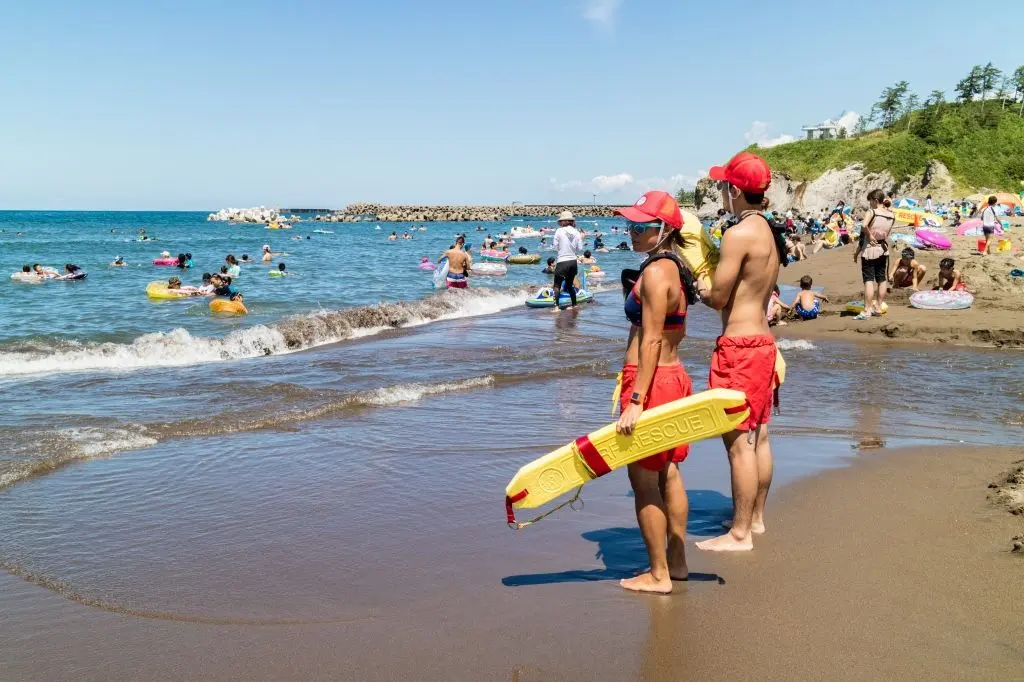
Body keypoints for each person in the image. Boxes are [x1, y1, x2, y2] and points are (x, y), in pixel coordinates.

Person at [695, 151, 786, 552]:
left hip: (739, 347)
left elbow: (718, 297)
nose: (720, 191)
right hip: (764, 343)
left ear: (734, 190)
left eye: (722, 186)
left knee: (738, 444)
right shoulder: (769, 231)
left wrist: (700, 285)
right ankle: (756, 519)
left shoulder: (738, 234)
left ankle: (739, 534)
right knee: (760, 436)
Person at [613, 190, 696, 593]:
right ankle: (676, 563)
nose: (631, 231)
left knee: (644, 480)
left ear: (663, 230)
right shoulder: (675, 267)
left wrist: (635, 400)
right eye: (630, 224)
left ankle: (659, 574)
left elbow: (651, 340)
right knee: (669, 472)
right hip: (672, 376)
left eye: (640, 226)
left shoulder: (656, 273)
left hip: (650, 381)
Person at [852, 189, 894, 320]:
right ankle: (878, 308)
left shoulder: (872, 212)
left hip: (870, 250)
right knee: (881, 279)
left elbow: (864, 226)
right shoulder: (891, 215)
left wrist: (870, 236)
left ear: (875, 200)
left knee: (869, 280)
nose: (870, 204)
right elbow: (887, 233)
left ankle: (867, 310)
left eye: (870, 201)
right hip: (883, 249)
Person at [552, 210, 582, 310]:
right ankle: (574, 305)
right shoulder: (577, 232)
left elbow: (555, 246)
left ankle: (556, 307)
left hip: (562, 261)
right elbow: (580, 248)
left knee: (557, 285)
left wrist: (561, 250)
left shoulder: (559, 231)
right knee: (569, 285)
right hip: (573, 262)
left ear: (563, 221)